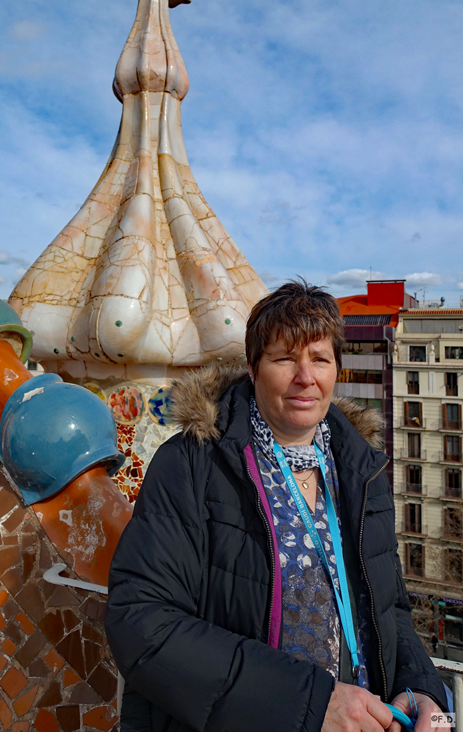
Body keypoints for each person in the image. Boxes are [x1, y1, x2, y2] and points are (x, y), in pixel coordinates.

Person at [106, 281, 447, 732]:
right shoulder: (192, 464)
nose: (305, 377)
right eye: (285, 358)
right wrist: (310, 705)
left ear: (336, 371)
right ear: (253, 368)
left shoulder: (361, 471)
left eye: (320, 359)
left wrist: (423, 691)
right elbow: (142, 623)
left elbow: (391, 610)